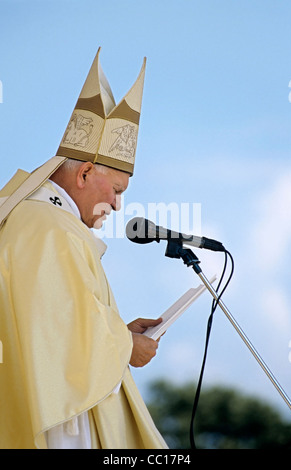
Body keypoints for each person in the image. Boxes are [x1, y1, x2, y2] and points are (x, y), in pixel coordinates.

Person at [0, 48, 168, 449]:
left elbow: (53, 323)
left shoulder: (39, 219)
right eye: (116, 190)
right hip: (64, 425)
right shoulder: (49, 227)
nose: (117, 205)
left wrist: (119, 334)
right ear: (86, 172)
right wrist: (125, 346)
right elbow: (56, 347)